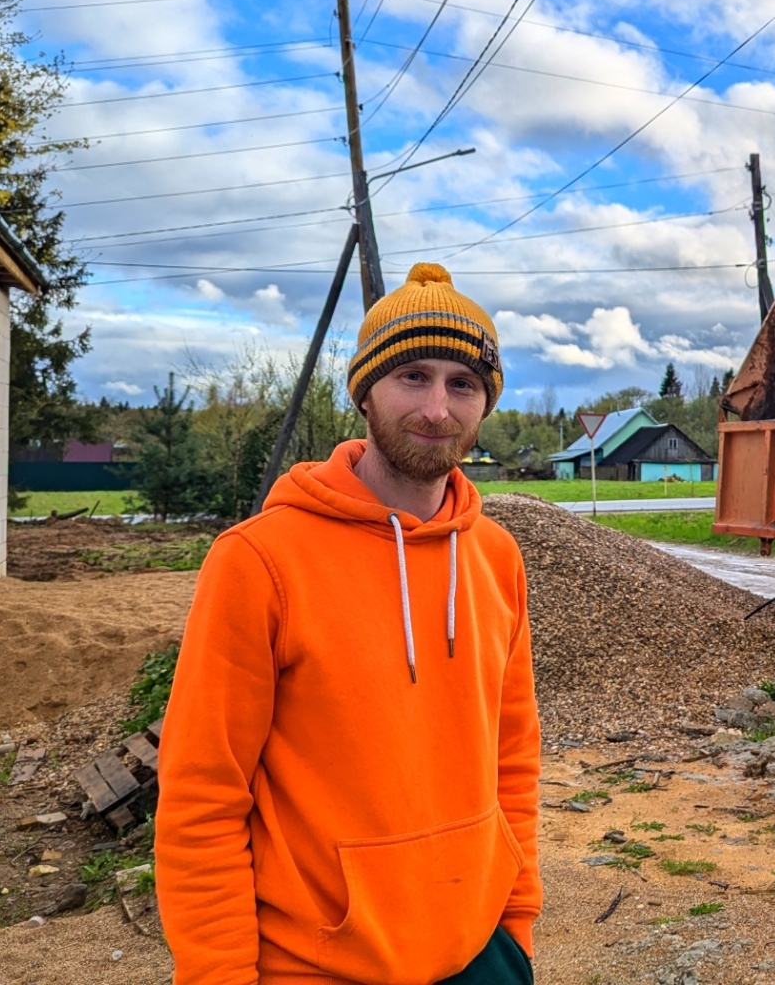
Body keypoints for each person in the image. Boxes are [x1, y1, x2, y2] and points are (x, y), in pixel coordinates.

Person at [155, 263, 540, 985]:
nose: (437, 408)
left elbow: (512, 759)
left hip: (481, 955)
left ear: (485, 403)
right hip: (315, 965)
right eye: (413, 377)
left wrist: (515, 924)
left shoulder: (494, 557)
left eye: (464, 383)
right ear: (364, 391)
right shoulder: (259, 562)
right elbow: (203, 799)